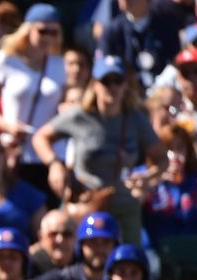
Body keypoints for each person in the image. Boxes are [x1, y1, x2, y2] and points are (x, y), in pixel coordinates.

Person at [32, 55, 168, 246]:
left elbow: (162, 158)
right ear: (95, 85)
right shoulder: (80, 116)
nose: (111, 87)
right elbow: (40, 137)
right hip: (86, 202)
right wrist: (54, 164)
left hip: (123, 203)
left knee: (129, 260)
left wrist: (148, 177)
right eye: (105, 81)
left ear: (125, 86)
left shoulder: (135, 119)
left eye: (117, 81)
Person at [0, 3, 65, 207]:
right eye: (43, 31)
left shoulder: (57, 63)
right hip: (15, 149)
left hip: (47, 152)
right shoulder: (7, 59)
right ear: (28, 29)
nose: (48, 38)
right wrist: (9, 126)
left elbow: (63, 100)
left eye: (54, 33)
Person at [28, 209, 76, 278]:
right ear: (41, 237)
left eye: (67, 234)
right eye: (53, 234)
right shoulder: (29, 267)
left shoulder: (84, 265)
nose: (60, 240)